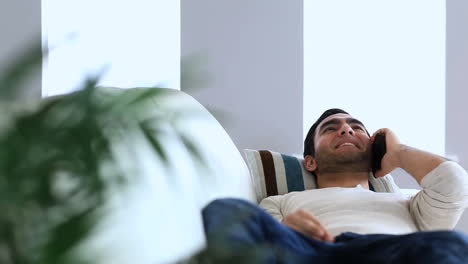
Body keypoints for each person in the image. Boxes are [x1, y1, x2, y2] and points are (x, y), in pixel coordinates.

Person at [202, 108, 468, 263]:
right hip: (311, 253)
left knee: (454, 243)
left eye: (356, 127)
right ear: (310, 162)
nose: (346, 130)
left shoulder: (409, 204)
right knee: (226, 209)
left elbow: (454, 184)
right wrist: (288, 229)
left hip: (390, 252)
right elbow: (261, 240)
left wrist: (397, 152)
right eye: (331, 128)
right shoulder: (282, 201)